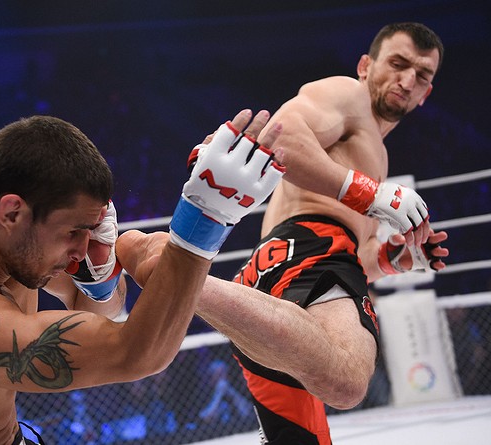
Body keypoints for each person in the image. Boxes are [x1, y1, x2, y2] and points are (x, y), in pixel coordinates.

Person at [0, 111, 284, 444]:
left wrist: (98, 280)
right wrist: (204, 220)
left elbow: (101, 313)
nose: (81, 250)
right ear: (12, 212)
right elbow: (135, 354)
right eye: (73, 232)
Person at [120, 22, 451, 445]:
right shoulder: (348, 95)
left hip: (283, 275)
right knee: (347, 379)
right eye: (398, 64)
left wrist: (390, 259)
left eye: (421, 75)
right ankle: (178, 264)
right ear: (366, 66)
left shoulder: (375, 152)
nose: (407, 80)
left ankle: (182, 269)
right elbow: (279, 139)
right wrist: (369, 193)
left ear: (426, 93)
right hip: (309, 252)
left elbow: (356, 259)